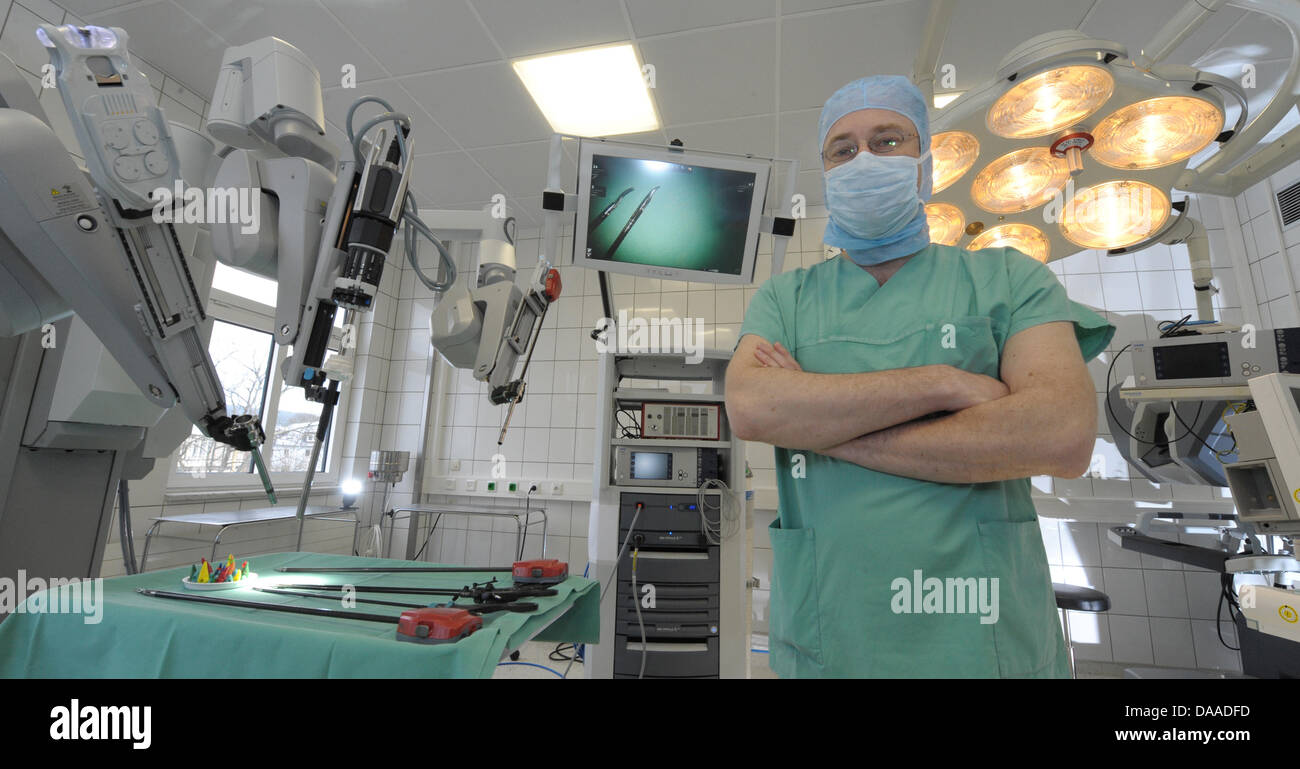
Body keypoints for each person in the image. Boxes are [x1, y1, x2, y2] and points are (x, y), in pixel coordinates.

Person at [724, 75, 1115, 678]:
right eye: (843, 150)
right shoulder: (786, 297)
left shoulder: (1009, 278)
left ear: (925, 165)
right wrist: (942, 383)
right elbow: (753, 409)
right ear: (825, 173)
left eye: (887, 141)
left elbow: (1061, 436)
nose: (863, 161)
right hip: (834, 635)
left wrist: (820, 427)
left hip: (983, 643)